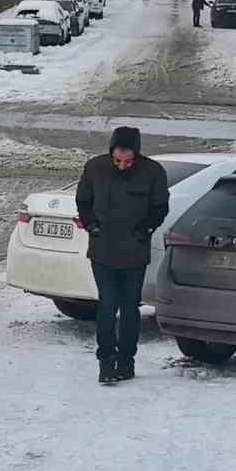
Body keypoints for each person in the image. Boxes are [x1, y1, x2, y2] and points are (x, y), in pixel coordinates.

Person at [75, 126, 169, 385]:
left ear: (137, 154)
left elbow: (160, 207)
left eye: (128, 161)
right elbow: (83, 201)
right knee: (107, 304)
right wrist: (91, 224)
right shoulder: (95, 168)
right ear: (111, 153)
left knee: (129, 307)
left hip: (134, 252)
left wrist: (145, 228)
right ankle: (105, 362)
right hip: (103, 249)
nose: (122, 166)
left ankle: (126, 361)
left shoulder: (152, 172)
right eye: (117, 160)